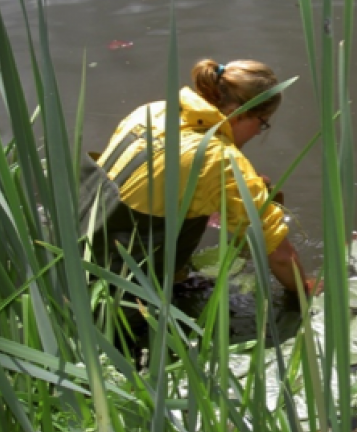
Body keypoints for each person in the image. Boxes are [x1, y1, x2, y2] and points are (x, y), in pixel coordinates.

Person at [78, 58, 319, 338]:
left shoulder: (154, 112)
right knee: (135, 333)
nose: (257, 133)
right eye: (262, 124)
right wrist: (304, 288)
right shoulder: (219, 161)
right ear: (242, 113)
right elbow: (278, 254)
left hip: (76, 245)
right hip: (114, 294)